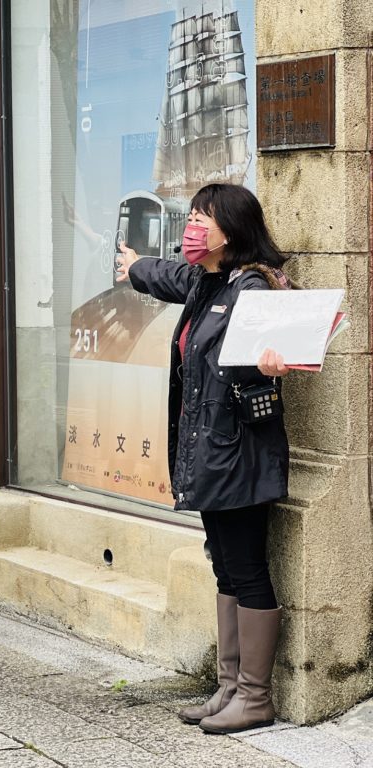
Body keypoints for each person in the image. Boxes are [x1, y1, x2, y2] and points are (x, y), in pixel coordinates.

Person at [115, 183, 290, 734]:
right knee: (224, 565)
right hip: (212, 452)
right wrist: (136, 265)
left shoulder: (253, 288)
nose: (191, 226)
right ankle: (230, 685)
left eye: (201, 217)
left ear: (231, 230)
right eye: (189, 215)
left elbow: (271, 349)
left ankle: (256, 697)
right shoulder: (207, 281)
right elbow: (169, 276)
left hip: (240, 454)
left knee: (245, 566)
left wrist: (270, 363)